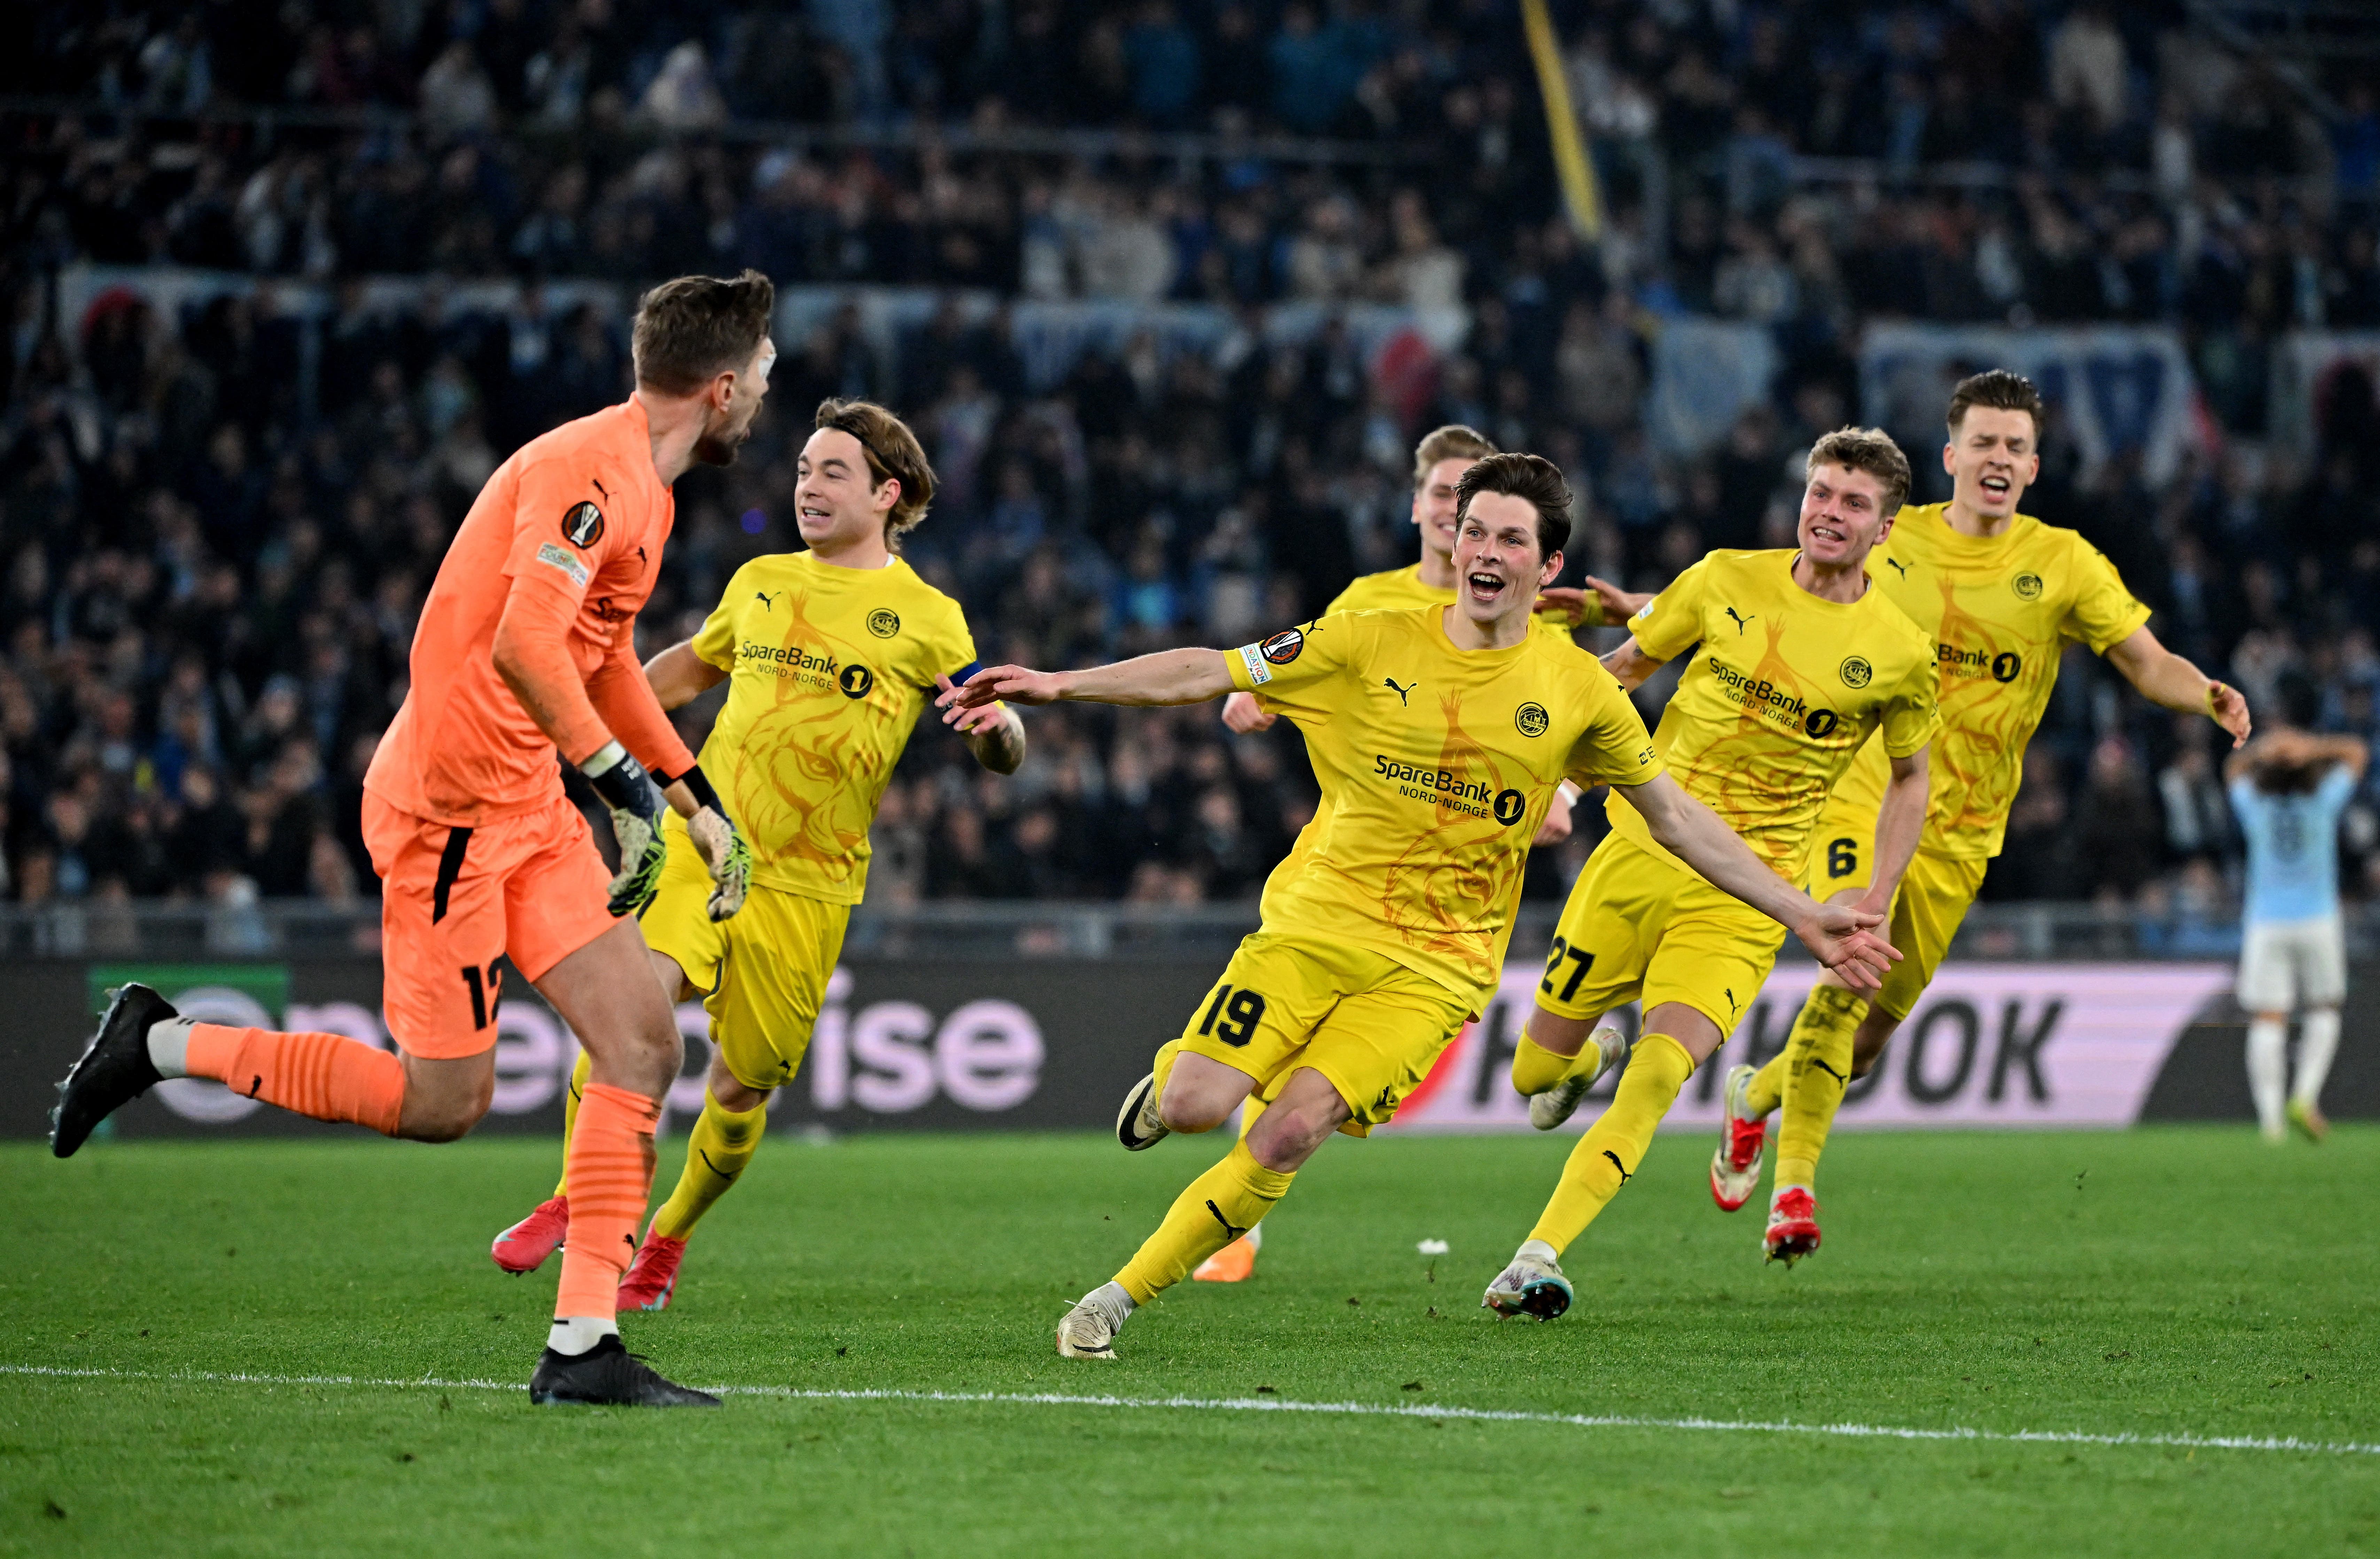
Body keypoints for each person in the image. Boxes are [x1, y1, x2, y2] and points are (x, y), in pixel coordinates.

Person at [940, 452, 1899, 1360]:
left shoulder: (1578, 690)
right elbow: (1210, 668)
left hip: (1436, 967)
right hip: (1315, 924)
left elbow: (1679, 818)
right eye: (1473, 531)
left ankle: (1113, 1299)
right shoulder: (1366, 632)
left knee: (1287, 1131)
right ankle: (1169, 1084)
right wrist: (1063, 682)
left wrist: (1802, 911)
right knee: (1198, 1107)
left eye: (1510, 540)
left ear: (1549, 563)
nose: (1483, 552)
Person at [48, 271, 781, 1408]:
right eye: (767, 376)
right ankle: (161, 1045)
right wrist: (625, 792)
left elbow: (598, 663)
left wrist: (694, 798)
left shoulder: (651, 489)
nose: (767, 398)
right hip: (445, 818)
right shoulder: (590, 470)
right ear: (724, 385)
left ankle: (583, 1345)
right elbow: (526, 655)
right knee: (444, 1103)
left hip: (528, 806)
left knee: (643, 1042)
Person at [1680, 371, 2251, 1259]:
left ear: (2031, 467)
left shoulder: (2062, 563)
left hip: (1965, 830)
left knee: (1865, 1045)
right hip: (1861, 791)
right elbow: (1768, 600)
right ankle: (1794, 1191)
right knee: (1852, 965)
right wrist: (1644, 617)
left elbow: (2144, 661)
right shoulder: (1886, 533)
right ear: (1951, 457)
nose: (1999, 458)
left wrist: (2203, 692)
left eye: (2015, 446)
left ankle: (1754, 1097)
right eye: (1983, 441)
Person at [491, 398, 1024, 1303]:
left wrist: (997, 729)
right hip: (705, 840)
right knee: (628, 1007)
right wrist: (575, 719)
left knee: (741, 1089)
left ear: (887, 493)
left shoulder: (929, 618)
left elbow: (997, 739)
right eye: (804, 470)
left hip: (809, 886)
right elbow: (688, 668)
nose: (807, 487)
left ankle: (666, 1240)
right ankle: (576, 1200)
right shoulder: (762, 580)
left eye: (832, 473)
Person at [1480, 427, 1939, 1317]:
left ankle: (1536, 1253)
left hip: (1748, 895)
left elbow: (1912, 778)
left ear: (1885, 529)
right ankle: (1589, 1053)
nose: (1829, 513)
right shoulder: (1724, 576)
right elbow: (1620, 671)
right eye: (1820, 492)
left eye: (1852, 503)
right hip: (1637, 858)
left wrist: (1875, 898)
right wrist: (1564, 781)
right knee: (1534, 1079)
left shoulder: (1898, 651)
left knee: (1660, 1074)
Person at [1197, 423, 1586, 1285]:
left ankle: (1233, 1210)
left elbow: (1575, 714)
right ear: (1419, 505)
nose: (1457, 513)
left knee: (1320, 1086)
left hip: (1453, 892)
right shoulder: (1367, 603)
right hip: (1350, 851)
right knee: (1278, 1047)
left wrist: (1563, 795)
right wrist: (1253, 703)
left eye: (1472, 499)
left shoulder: (1522, 607)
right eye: (1446, 494)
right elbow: (1298, 677)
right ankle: (1234, 1225)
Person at [2229, 726, 2364, 1142]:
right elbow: (2357, 752)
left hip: (2266, 922)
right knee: (2324, 1009)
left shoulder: (2257, 807)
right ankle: (2304, 1098)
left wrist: (2265, 751)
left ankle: (2271, 1126)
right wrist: (2311, 747)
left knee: (2268, 1018)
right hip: (2318, 920)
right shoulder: (2323, 802)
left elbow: (2232, 768)